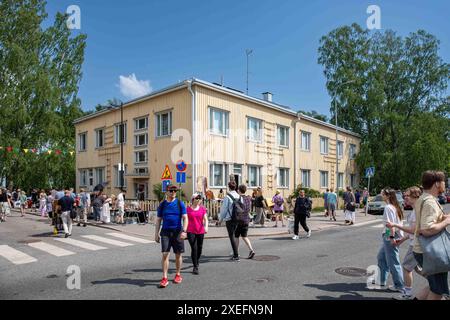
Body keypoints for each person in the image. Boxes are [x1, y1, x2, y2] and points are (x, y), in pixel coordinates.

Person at [413, 171, 450, 300]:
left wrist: (443, 218)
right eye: (444, 181)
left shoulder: (423, 198)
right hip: (430, 252)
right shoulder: (430, 202)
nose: (445, 184)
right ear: (437, 184)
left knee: (434, 286)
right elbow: (427, 229)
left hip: (423, 250)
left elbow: (427, 222)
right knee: (438, 291)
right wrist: (447, 221)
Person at [386, 186, 423, 300]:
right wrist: (401, 240)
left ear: (415, 196)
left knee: (406, 268)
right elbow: (413, 232)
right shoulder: (414, 209)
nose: (405, 198)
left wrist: (395, 226)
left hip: (417, 245)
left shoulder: (417, 210)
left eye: (407, 195)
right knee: (418, 268)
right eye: (404, 196)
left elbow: (414, 230)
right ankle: (437, 282)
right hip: (416, 243)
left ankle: (407, 294)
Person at [155, 185, 188, 288]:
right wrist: (156, 234)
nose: (173, 192)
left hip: (178, 232)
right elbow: (158, 220)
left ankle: (178, 274)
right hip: (165, 232)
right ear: (166, 192)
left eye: (175, 191)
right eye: (171, 191)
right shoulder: (162, 205)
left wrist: (184, 231)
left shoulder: (180, 203)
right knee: (165, 254)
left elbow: (185, 218)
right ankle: (164, 278)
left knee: (178, 254)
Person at [375, 188, 405, 293]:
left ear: (388, 196)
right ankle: (381, 280)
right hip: (391, 235)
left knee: (393, 262)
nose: (381, 195)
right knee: (381, 257)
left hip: (392, 235)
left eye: (382, 194)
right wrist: (388, 237)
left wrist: (390, 238)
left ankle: (400, 285)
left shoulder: (388, 207)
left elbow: (390, 225)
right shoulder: (395, 206)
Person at [218, 181, 241, 261]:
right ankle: (236, 252)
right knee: (235, 236)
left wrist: (220, 220)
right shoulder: (239, 196)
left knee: (232, 236)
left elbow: (224, 210)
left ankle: (236, 255)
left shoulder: (227, 197)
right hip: (238, 218)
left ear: (229, 187)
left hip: (229, 219)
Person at [186, 193, 208, 275]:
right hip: (190, 231)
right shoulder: (187, 209)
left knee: (200, 248)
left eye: (199, 198)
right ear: (193, 199)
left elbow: (206, 219)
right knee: (194, 248)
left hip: (200, 230)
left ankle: (197, 260)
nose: (198, 200)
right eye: (197, 198)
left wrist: (206, 227)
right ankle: (195, 266)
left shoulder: (202, 209)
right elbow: (184, 219)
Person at [235, 185, 255, 259]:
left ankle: (236, 253)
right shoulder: (248, 198)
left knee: (236, 236)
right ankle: (251, 250)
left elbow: (239, 210)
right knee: (245, 236)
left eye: (238, 190)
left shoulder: (239, 199)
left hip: (239, 220)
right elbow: (249, 208)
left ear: (239, 190)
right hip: (246, 219)